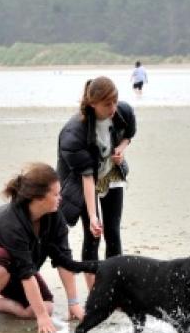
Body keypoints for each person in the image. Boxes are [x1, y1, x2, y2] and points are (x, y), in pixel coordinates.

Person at [0, 162, 96, 333]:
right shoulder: (9, 222)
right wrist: (42, 318)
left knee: (45, 306)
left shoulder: (55, 217)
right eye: (56, 194)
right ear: (38, 198)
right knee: (0, 256)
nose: (61, 198)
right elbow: (26, 274)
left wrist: (72, 303)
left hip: (15, 267)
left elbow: (64, 260)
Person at [57, 76, 137, 290]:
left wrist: (121, 148)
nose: (113, 108)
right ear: (92, 104)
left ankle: (115, 289)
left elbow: (129, 134)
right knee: (93, 234)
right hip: (83, 180)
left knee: (113, 232)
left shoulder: (123, 111)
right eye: (107, 104)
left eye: (115, 101)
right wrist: (93, 216)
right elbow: (86, 176)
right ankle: (94, 291)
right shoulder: (75, 132)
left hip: (111, 174)